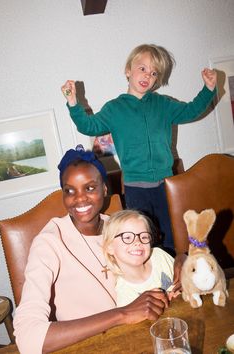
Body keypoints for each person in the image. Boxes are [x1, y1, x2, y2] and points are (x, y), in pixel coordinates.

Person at [61, 44, 217, 254]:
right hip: (135, 187)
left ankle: (174, 278)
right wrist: (73, 103)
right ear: (128, 70)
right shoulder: (114, 108)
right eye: (142, 68)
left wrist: (208, 89)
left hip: (166, 183)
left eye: (154, 73)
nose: (147, 75)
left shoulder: (164, 104)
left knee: (172, 237)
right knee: (143, 238)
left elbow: (191, 110)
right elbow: (89, 126)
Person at [13, 144, 169, 354]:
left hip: (135, 335)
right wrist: (121, 314)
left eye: (89, 187)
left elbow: (151, 261)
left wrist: (181, 261)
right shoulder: (49, 243)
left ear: (104, 188)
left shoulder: (117, 227)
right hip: (85, 346)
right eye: (69, 190)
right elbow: (28, 339)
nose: (79, 198)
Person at [102, 209, 178, 307]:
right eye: (128, 237)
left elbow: (186, 280)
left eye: (144, 237)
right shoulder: (124, 291)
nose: (138, 241)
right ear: (110, 247)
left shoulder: (159, 256)